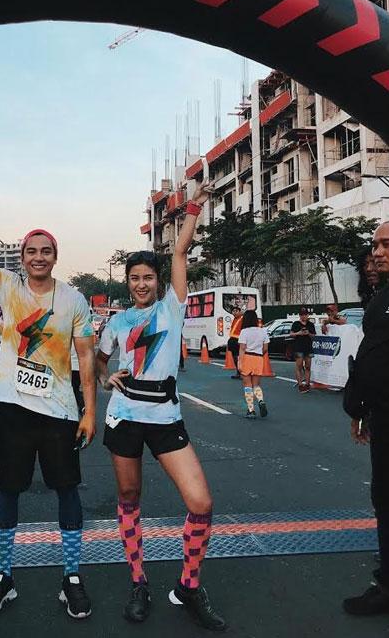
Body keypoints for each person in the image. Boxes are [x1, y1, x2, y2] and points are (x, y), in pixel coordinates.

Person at [0, 161, 97, 620]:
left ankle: (71, 576)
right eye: (31, 250)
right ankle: (3, 576)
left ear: (55, 256)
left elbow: (86, 358)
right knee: (8, 492)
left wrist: (90, 411)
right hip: (12, 410)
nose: (37, 257)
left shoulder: (74, 299)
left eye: (45, 251)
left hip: (59, 413)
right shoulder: (8, 288)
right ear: (23, 256)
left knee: (67, 491)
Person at [95, 182, 227, 632]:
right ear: (127, 282)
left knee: (201, 501)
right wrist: (102, 376)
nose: (141, 284)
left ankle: (188, 586)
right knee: (130, 497)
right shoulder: (116, 322)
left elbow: (181, 252)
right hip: (126, 416)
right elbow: (95, 363)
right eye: (134, 278)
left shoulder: (173, 307)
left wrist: (194, 207)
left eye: (147, 277)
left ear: (158, 282)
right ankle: (139, 582)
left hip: (166, 416)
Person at [342, 221, 389, 616]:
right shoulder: (384, 296)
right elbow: (371, 358)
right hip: (383, 415)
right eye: (374, 244)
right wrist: (359, 409)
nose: (376, 252)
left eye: (386, 244)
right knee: (385, 498)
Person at [236, 311, 270, 419]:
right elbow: (265, 348)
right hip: (258, 358)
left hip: (247, 357)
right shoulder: (263, 331)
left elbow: (242, 348)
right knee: (256, 385)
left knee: (247, 385)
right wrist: (259, 354)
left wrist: (239, 362)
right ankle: (260, 400)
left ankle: (251, 410)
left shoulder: (244, 332)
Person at [291, 308, 316, 393]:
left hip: (308, 347)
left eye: (305, 314)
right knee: (299, 366)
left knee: (308, 366)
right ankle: (300, 384)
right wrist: (299, 333)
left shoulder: (311, 324)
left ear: (308, 315)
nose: (304, 316)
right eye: (302, 314)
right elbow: (291, 334)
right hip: (298, 347)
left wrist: (308, 333)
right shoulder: (296, 324)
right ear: (299, 315)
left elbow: (314, 336)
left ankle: (307, 384)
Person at [226, 307, 243, 379]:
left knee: (239, 357)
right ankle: (238, 372)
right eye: (233, 311)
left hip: (238, 340)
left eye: (236, 311)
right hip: (233, 339)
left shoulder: (242, 319)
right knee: (234, 357)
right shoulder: (234, 319)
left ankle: (241, 372)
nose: (234, 312)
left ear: (240, 311)